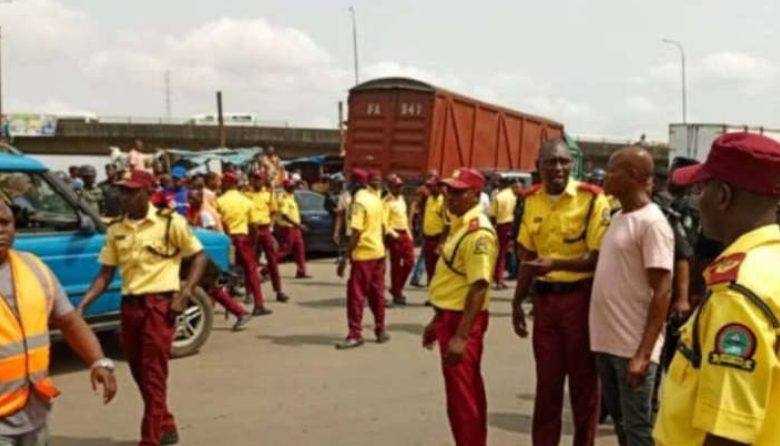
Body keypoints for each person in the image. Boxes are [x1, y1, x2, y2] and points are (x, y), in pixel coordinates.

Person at [654, 132, 780, 446]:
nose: (698, 200)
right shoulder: (771, 263)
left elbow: (729, 431)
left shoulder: (737, 292)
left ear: (722, 196)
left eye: (702, 188)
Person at [78, 170, 206, 446]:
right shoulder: (116, 229)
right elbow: (105, 274)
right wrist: (80, 309)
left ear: (148, 194)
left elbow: (199, 256)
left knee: (154, 375)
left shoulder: (170, 222)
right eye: (122, 191)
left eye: (131, 191)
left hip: (159, 307)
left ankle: (150, 439)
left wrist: (185, 293)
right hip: (131, 309)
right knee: (140, 373)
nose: (124, 196)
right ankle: (167, 424)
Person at [513, 139, 610, 446]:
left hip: (580, 300)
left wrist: (556, 262)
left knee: (584, 386)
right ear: (538, 165)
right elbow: (528, 254)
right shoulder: (531, 201)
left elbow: (596, 256)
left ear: (572, 165)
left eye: (564, 162)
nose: (558, 168)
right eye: (550, 162)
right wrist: (517, 301)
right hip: (545, 303)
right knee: (548, 385)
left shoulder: (593, 200)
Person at [0, 201, 117, 445]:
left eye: (5, 223)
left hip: (34, 413)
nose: (1, 230)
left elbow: (69, 321)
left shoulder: (33, 268)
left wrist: (98, 361)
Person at [590, 147, 673, 446]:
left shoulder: (652, 223)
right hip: (608, 343)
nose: (604, 176)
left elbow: (663, 289)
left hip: (632, 348)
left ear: (634, 177)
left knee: (638, 431)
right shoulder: (618, 218)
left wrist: (643, 354)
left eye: (613, 170)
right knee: (623, 426)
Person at [422, 168, 497, 446]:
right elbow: (454, 280)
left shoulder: (478, 233)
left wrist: (461, 335)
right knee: (461, 394)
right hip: (450, 317)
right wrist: (436, 320)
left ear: (475, 195)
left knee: (463, 396)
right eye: (447, 191)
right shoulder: (461, 225)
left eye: (457, 192)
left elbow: (479, 286)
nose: (449, 197)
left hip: (463, 320)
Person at [335, 169, 388, 349]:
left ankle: (355, 334)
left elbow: (356, 232)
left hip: (363, 254)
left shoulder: (359, 201)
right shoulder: (376, 199)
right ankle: (380, 330)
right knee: (377, 294)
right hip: (378, 252)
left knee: (356, 296)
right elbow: (382, 228)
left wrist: (345, 257)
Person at [186, 188, 252, 331]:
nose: (189, 201)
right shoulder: (195, 211)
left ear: (200, 198)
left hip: (209, 255)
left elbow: (209, 234)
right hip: (205, 253)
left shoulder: (204, 213)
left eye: (193, 198)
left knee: (212, 288)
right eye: (188, 198)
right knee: (211, 290)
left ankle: (240, 313)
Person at [216, 172, 272, 317]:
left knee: (221, 273)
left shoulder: (219, 201)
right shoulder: (247, 201)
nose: (221, 185)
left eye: (223, 182)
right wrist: (253, 243)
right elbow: (253, 226)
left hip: (225, 240)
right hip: (243, 238)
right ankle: (258, 304)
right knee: (251, 271)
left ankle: (221, 304)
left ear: (228, 184)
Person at [246, 171, 290, 302]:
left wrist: (270, 226)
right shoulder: (246, 195)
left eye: (259, 179)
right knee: (250, 263)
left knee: (272, 262)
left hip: (265, 229)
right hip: (251, 229)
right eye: (255, 179)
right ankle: (249, 292)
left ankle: (279, 291)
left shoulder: (269, 195)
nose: (257, 181)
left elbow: (274, 212)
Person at [384, 175, 414, 306]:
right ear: (390, 187)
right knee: (396, 266)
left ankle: (396, 288)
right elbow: (384, 222)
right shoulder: (386, 202)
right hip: (394, 235)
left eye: (400, 186)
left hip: (404, 233)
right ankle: (397, 292)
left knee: (409, 262)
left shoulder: (402, 199)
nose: (399, 189)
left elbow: (405, 218)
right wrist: (394, 235)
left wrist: (409, 234)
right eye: (397, 186)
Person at [275, 179, 310, 279]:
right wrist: (299, 226)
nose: (293, 188)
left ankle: (301, 271)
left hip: (295, 228)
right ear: (286, 187)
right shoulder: (283, 198)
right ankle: (267, 268)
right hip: (288, 228)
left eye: (293, 186)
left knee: (300, 250)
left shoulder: (291, 197)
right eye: (291, 187)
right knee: (284, 250)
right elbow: (284, 215)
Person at [488, 176, 517, 289]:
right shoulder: (513, 196)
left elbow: (492, 215)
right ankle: (499, 278)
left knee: (499, 253)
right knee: (504, 253)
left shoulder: (499, 196)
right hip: (510, 225)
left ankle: (497, 278)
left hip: (500, 225)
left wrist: (493, 227)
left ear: (502, 184)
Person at [422, 177, 449, 283]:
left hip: (437, 239)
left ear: (438, 187)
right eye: (428, 186)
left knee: (437, 270)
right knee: (429, 269)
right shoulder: (429, 199)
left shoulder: (443, 202)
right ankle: (431, 294)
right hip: (427, 238)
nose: (429, 189)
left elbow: (447, 224)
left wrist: (441, 243)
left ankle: (436, 296)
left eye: (431, 186)